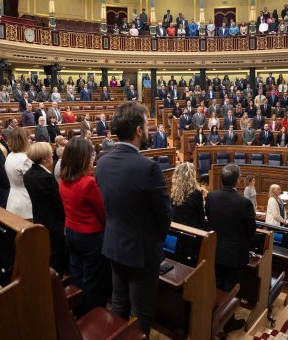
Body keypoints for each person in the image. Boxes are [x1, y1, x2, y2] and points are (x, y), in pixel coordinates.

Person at [94, 101, 172, 336]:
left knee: (119, 303)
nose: (148, 130)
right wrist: (155, 240)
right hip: (141, 252)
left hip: (114, 245)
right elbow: (164, 216)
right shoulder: (148, 167)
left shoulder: (103, 162)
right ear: (139, 130)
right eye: (147, 125)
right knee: (141, 311)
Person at [59, 137, 109, 317]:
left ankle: (79, 310)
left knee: (77, 274)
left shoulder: (63, 179)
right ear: (83, 157)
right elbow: (103, 213)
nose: (93, 157)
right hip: (90, 236)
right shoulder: (88, 182)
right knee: (92, 278)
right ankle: (92, 315)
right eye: (91, 154)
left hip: (71, 233)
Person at [206, 163, 256, 294]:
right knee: (231, 289)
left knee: (216, 285)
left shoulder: (211, 197)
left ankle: (214, 312)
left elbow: (210, 220)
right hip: (235, 254)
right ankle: (229, 314)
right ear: (237, 181)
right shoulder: (244, 203)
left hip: (215, 250)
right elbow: (251, 231)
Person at [24, 142, 67, 276]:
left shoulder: (29, 173)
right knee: (55, 256)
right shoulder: (45, 178)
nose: (52, 156)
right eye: (50, 154)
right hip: (53, 222)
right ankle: (55, 286)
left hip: (40, 216)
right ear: (44, 159)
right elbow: (57, 203)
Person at [5, 127, 33, 220]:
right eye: (28, 138)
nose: (30, 140)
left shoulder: (10, 155)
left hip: (13, 199)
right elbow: (34, 182)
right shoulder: (25, 159)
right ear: (23, 141)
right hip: (26, 202)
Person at [170, 162, 205, 229]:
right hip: (193, 232)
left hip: (176, 231)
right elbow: (201, 217)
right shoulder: (196, 193)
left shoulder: (174, 193)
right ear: (191, 176)